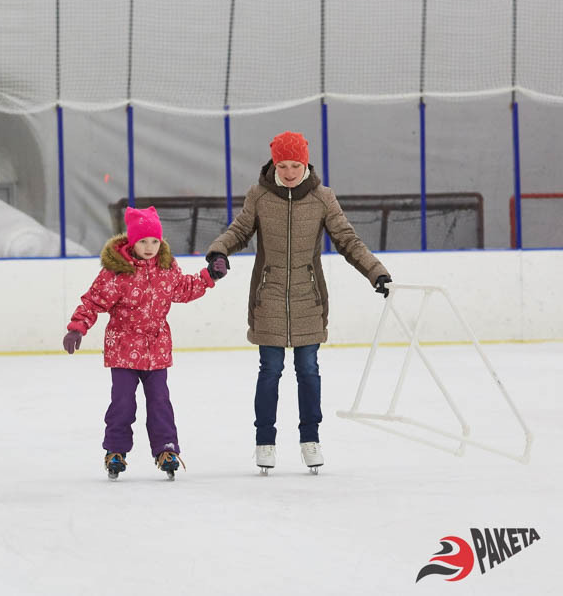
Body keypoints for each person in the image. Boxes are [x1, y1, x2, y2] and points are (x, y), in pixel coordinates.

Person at [204, 131, 392, 475]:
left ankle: (310, 438)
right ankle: (265, 441)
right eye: (283, 165)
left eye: (295, 165)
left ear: (305, 163)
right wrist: (219, 251)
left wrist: (376, 273)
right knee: (270, 370)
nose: (289, 172)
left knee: (308, 370)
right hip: (269, 295)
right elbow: (240, 230)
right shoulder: (259, 196)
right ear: (274, 164)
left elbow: (347, 240)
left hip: (308, 297)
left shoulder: (322, 198)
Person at [62, 205, 218, 481]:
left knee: (160, 401)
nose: (149, 247)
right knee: (123, 403)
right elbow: (93, 301)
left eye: (154, 241)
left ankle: (166, 449)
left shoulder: (167, 269)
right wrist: (78, 328)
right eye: (143, 241)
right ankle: (115, 451)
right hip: (123, 350)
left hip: (156, 349)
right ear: (132, 242)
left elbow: (183, 289)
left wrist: (209, 277)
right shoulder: (116, 273)